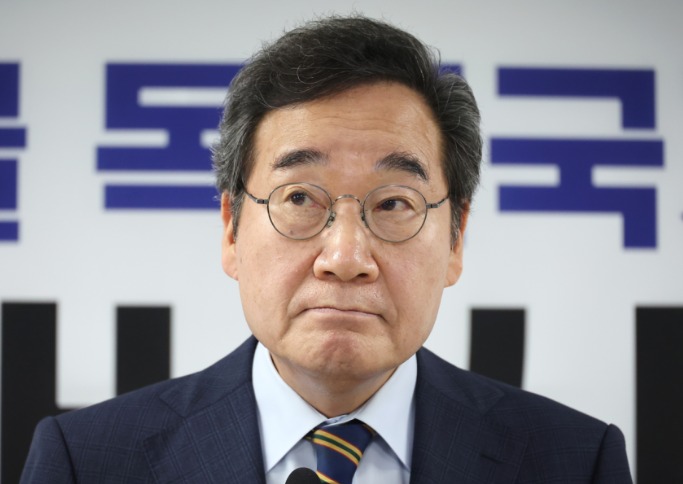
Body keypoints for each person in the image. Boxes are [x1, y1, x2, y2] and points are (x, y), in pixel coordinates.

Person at [21, 15, 632, 483]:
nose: (344, 257)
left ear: (455, 238)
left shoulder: (573, 461)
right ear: (231, 228)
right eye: (299, 198)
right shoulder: (88, 461)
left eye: (394, 204)